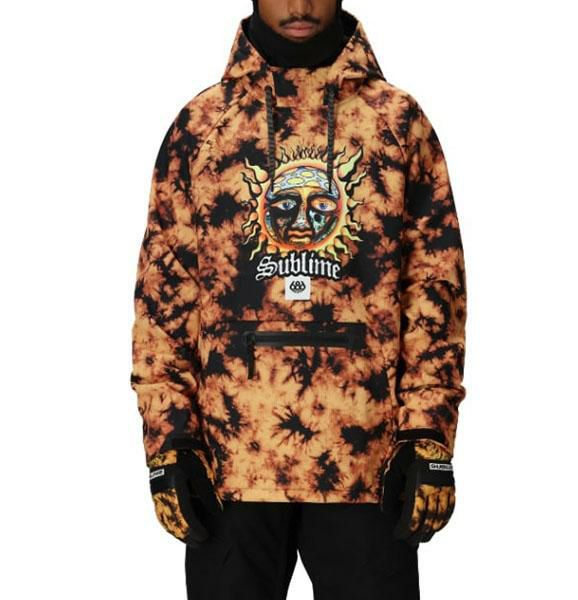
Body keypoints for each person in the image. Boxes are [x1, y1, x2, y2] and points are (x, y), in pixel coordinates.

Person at [130, 1, 467, 598]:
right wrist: (170, 442)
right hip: (230, 469)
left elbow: (434, 289)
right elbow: (165, 296)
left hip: (368, 466)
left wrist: (428, 435)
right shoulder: (203, 126)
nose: (300, 4)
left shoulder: (397, 122)